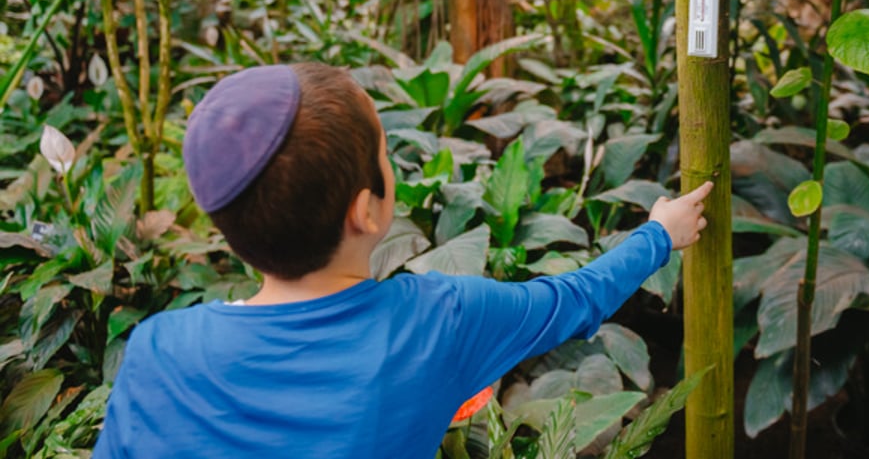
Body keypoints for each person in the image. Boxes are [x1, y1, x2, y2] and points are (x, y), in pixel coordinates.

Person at [94, 63, 710, 458]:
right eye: (387, 152)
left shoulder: (156, 351)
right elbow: (574, 300)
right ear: (367, 210)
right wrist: (660, 234)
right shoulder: (437, 321)